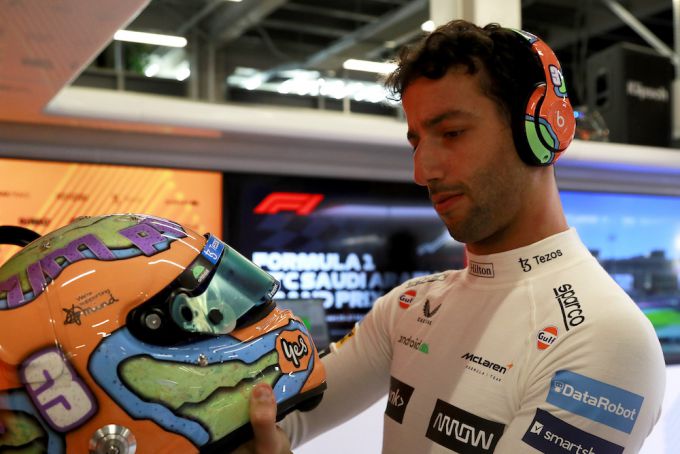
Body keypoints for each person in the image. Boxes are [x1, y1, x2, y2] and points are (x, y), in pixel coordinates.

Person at [236, 19, 666, 453]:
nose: (422, 171)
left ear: (539, 131)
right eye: (417, 142)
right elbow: (266, 424)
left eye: (452, 133)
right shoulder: (407, 308)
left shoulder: (608, 337)